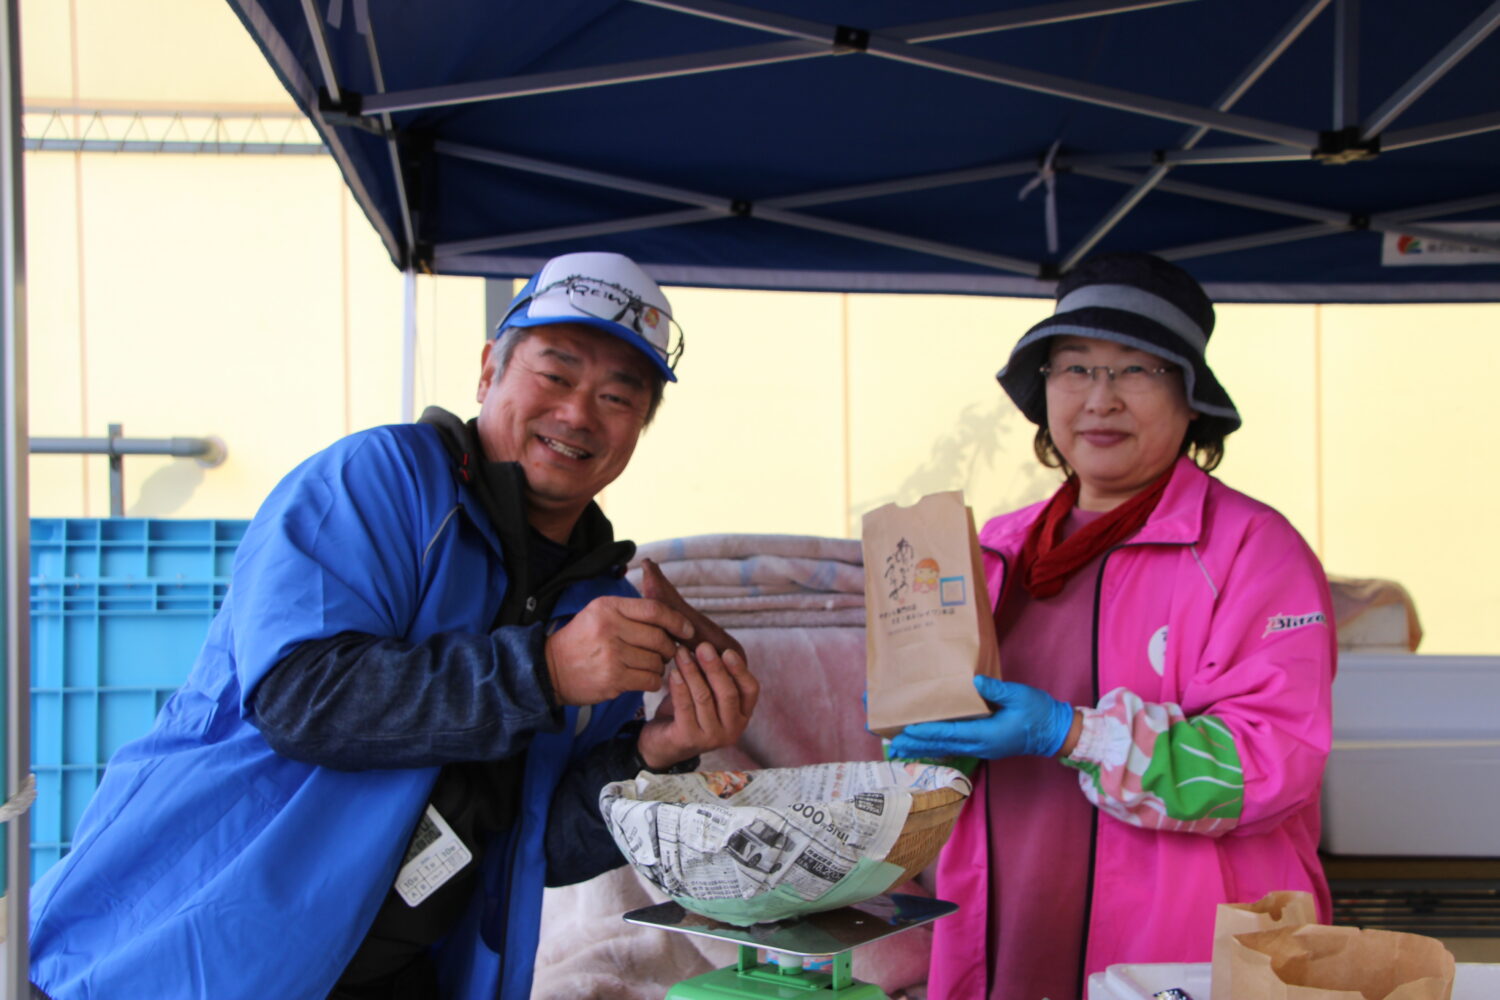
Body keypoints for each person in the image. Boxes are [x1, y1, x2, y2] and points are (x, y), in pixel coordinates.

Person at [28, 251, 759, 1000]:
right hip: (188, 955)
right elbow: (299, 696)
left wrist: (658, 751)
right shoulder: (382, 481)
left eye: (617, 396)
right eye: (556, 374)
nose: (578, 413)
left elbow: (535, 847)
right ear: (488, 372)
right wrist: (542, 672)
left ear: (639, 426)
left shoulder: (596, 604)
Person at [888, 253, 1334, 1000]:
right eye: (1075, 369)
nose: (1100, 399)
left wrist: (1074, 734)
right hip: (1009, 912)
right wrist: (923, 748)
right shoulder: (993, 547)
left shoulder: (1253, 549)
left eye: (1137, 371)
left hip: (1180, 936)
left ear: (1191, 399)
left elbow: (1273, 761)